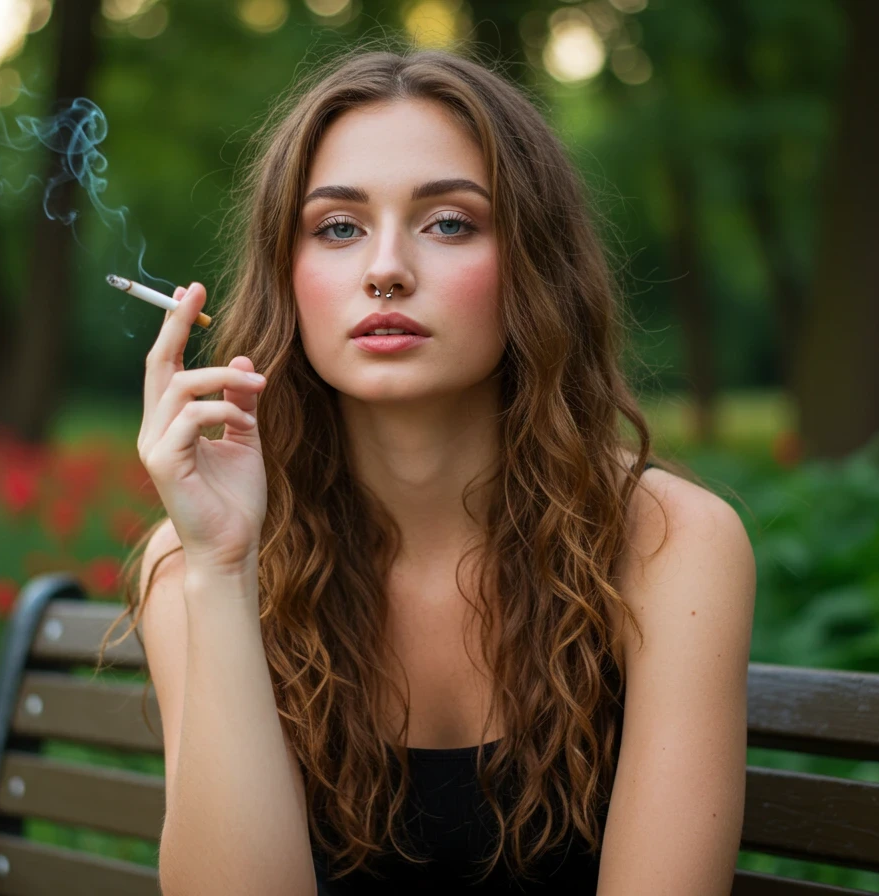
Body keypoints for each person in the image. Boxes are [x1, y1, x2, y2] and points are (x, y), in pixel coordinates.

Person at [105, 41, 756, 896]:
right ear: (285, 278)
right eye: (338, 228)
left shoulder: (669, 545)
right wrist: (224, 567)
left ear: (535, 264)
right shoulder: (191, 564)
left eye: (449, 222)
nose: (384, 270)